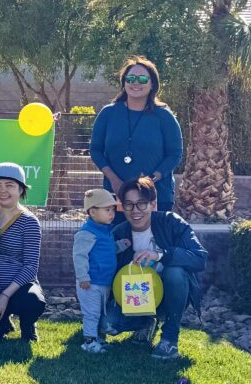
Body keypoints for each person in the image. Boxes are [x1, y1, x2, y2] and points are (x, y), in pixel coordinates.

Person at [106, 177, 208, 360]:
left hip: (170, 298)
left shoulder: (172, 223)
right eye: (129, 204)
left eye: (142, 204)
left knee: (175, 271)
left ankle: (169, 339)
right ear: (122, 206)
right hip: (135, 299)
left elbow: (200, 258)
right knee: (107, 324)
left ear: (153, 204)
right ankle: (146, 323)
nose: (135, 211)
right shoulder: (119, 233)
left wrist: (162, 255)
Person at [90, 56, 183, 216]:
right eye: (131, 78)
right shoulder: (108, 113)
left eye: (142, 79)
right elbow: (96, 150)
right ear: (124, 82)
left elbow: (175, 154)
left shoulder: (164, 116)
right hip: (116, 195)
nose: (136, 83)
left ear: (152, 83)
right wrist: (114, 180)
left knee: (153, 240)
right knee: (119, 240)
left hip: (156, 195)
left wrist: (149, 180)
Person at [0, 163, 46, 342]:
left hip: (18, 289)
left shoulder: (29, 222)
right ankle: (4, 319)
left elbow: (30, 267)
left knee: (32, 301)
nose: (2, 190)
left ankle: (28, 325)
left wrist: (5, 296)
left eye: (10, 185)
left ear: (21, 190)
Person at [72, 188, 120, 353]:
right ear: (92, 212)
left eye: (113, 209)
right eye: (107, 209)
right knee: (92, 313)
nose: (112, 213)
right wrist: (83, 276)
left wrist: (120, 246)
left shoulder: (105, 230)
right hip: (90, 282)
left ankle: (97, 337)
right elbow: (79, 256)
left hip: (103, 281)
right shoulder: (87, 232)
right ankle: (89, 341)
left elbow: (106, 250)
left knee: (100, 312)